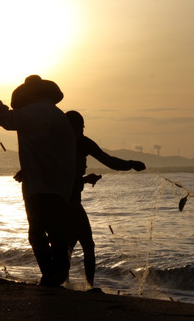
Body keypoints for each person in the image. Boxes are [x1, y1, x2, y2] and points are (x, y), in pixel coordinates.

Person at [0, 75, 75, 287]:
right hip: (59, 186)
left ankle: (52, 275)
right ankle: (57, 274)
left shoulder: (36, 112)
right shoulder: (57, 115)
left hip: (40, 187)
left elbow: (7, 119)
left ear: (32, 95)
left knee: (37, 233)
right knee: (55, 232)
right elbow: (46, 151)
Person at [65, 110, 146, 287]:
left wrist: (130, 164)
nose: (81, 131)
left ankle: (66, 283)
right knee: (86, 244)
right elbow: (58, 175)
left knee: (69, 243)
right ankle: (87, 285)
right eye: (78, 127)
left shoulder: (84, 143)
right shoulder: (59, 144)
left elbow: (109, 161)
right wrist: (85, 179)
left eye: (82, 128)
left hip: (72, 199)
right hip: (64, 201)